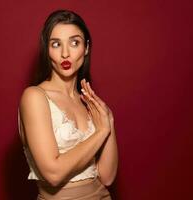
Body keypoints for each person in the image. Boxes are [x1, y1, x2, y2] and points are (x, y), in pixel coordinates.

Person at [18, 9, 118, 200]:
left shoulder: (88, 102)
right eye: (56, 44)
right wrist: (101, 131)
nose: (65, 53)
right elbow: (53, 174)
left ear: (86, 48)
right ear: (47, 50)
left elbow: (108, 177)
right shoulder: (34, 97)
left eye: (74, 42)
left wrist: (109, 121)